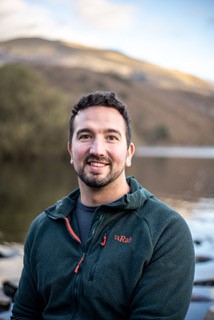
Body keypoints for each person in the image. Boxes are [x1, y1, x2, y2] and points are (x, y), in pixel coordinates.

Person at [11, 91, 195, 320]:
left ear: (128, 153)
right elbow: (24, 315)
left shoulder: (166, 231)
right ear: (71, 151)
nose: (97, 150)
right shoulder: (43, 227)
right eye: (85, 136)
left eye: (111, 137)